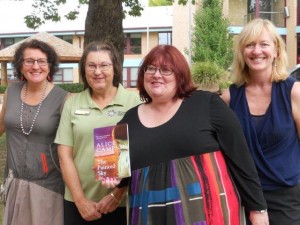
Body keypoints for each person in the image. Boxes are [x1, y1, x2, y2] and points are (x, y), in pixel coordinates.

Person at [101, 44, 269, 225]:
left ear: (180, 75)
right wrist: (113, 179)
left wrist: (258, 209)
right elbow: (119, 173)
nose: (157, 75)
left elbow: (241, 158)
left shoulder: (207, 104)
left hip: (208, 213)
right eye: (151, 68)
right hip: (149, 215)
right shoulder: (129, 119)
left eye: (166, 70)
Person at [221, 18, 300, 225]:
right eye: (250, 45)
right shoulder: (229, 97)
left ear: (276, 50)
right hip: (242, 197)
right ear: (242, 52)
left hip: (287, 199)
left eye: (264, 44)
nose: (257, 51)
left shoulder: (294, 92)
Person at [54, 41, 141, 225]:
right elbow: (64, 156)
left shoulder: (135, 102)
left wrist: (116, 194)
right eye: (91, 66)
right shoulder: (73, 103)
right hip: (78, 203)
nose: (97, 71)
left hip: (124, 202)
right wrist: (80, 201)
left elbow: (143, 152)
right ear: (84, 70)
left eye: (104, 65)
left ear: (115, 68)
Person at [0, 39, 68, 225]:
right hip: (14, 183)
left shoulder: (63, 99)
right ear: (20, 65)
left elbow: (71, 146)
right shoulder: (11, 92)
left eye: (41, 61)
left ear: (50, 66)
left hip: (47, 185)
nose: (35, 66)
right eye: (29, 61)